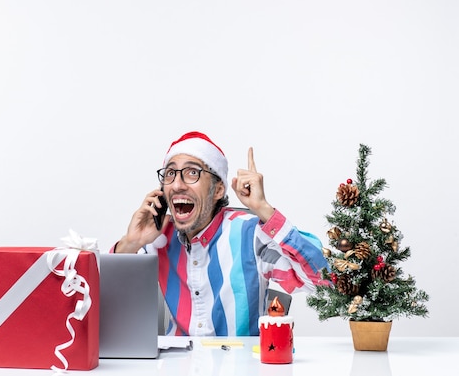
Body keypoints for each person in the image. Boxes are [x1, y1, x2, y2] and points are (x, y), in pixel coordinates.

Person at [113, 131, 329, 336]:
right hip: (177, 365)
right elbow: (93, 302)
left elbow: (323, 282)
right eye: (170, 173)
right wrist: (131, 242)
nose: (177, 184)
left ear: (217, 190)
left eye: (192, 173)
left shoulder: (250, 235)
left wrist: (264, 210)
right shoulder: (157, 237)